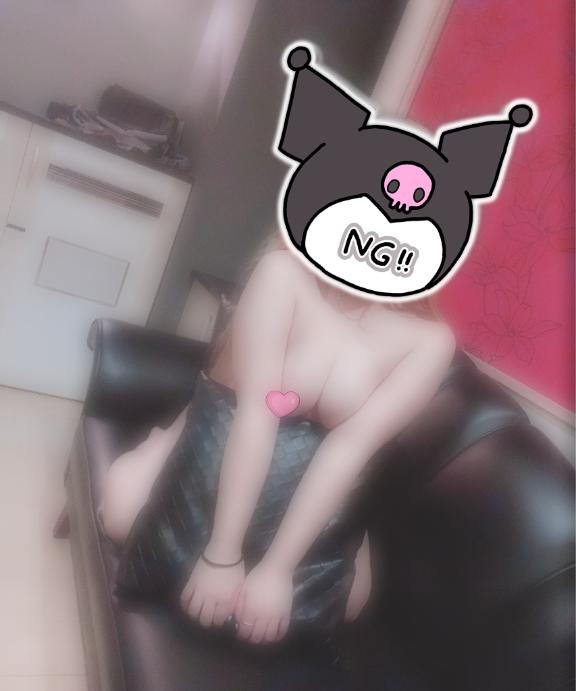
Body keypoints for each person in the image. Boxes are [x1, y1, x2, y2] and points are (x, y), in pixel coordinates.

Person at [99, 233, 455, 645]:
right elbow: (257, 411)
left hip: (317, 485)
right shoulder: (284, 273)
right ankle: (160, 442)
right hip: (220, 440)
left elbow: (351, 448)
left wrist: (277, 570)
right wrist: (223, 554)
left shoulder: (430, 340)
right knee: (122, 515)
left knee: (349, 602)